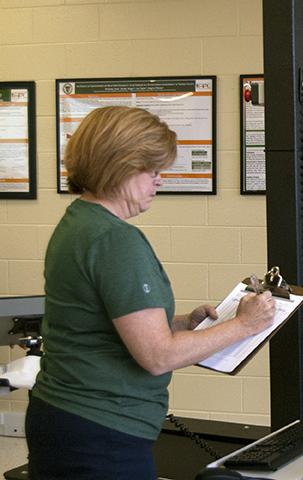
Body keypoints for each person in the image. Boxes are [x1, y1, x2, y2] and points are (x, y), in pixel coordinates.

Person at [26, 106, 276, 479]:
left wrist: (179, 323)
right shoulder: (116, 240)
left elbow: (103, 322)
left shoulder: (78, 222)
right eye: (152, 171)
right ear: (120, 165)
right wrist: (243, 325)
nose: (160, 181)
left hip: (63, 414)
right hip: (101, 428)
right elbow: (157, 356)